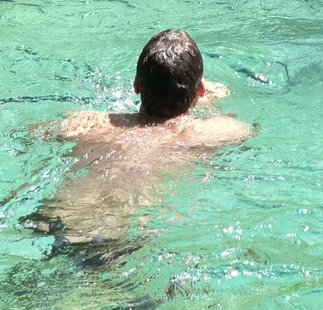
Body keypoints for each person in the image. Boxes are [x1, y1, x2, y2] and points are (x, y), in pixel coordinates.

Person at [22, 29, 249, 247]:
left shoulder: (89, 122)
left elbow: (33, 133)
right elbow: (243, 129)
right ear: (200, 90)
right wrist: (207, 97)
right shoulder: (203, 133)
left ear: (136, 85)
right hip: (113, 235)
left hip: (58, 216)